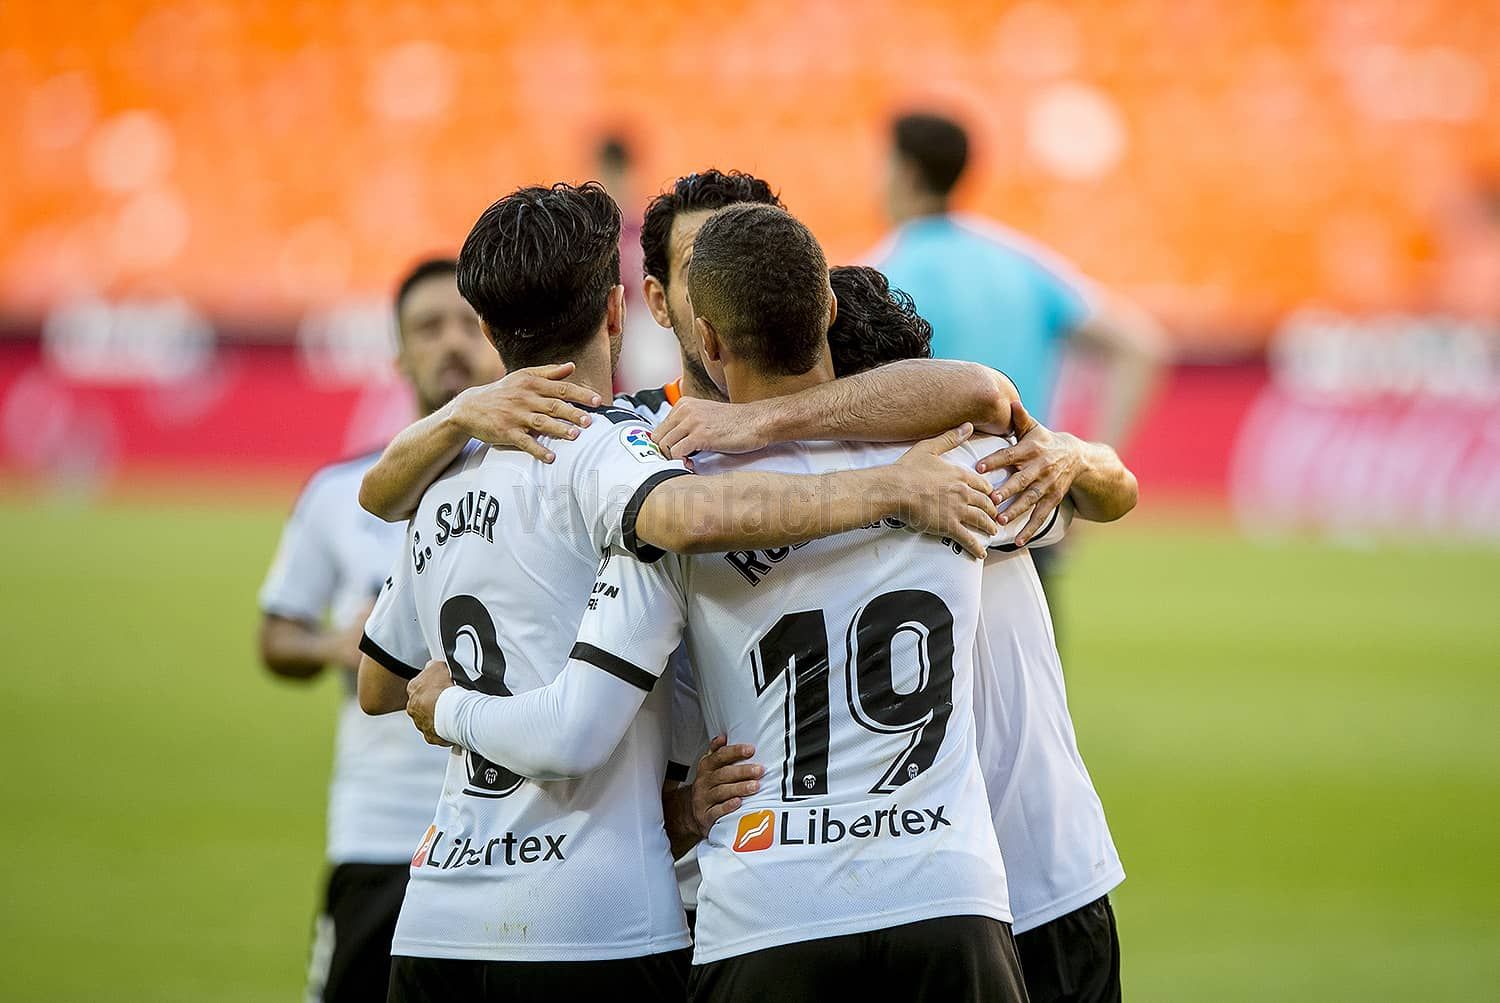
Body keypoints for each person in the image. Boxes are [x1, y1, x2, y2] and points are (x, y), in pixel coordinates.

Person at [402, 204, 1089, 1002]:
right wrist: (1068, 451)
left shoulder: (671, 484)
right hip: (950, 896)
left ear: (709, 340)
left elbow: (593, 722)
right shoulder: (957, 465)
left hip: (766, 906)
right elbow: (1051, 447)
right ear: (826, 311)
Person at [256, 258, 596, 1002]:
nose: (450, 345)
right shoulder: (341, 493)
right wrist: (330, 646)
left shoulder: (557, 476)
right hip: (381, 830)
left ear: (498, 340)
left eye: (466, 325)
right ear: (397, 354)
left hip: (518, 825)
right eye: (426, 327)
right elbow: (275, 635)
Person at [875, 111, 1164, 602]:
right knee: (1033, 675)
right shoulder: (1017, 261)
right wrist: (1085, 467)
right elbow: (1138, 345)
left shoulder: (886, 271)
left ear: (906, 171)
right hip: (1029, 501)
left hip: (930, 520)